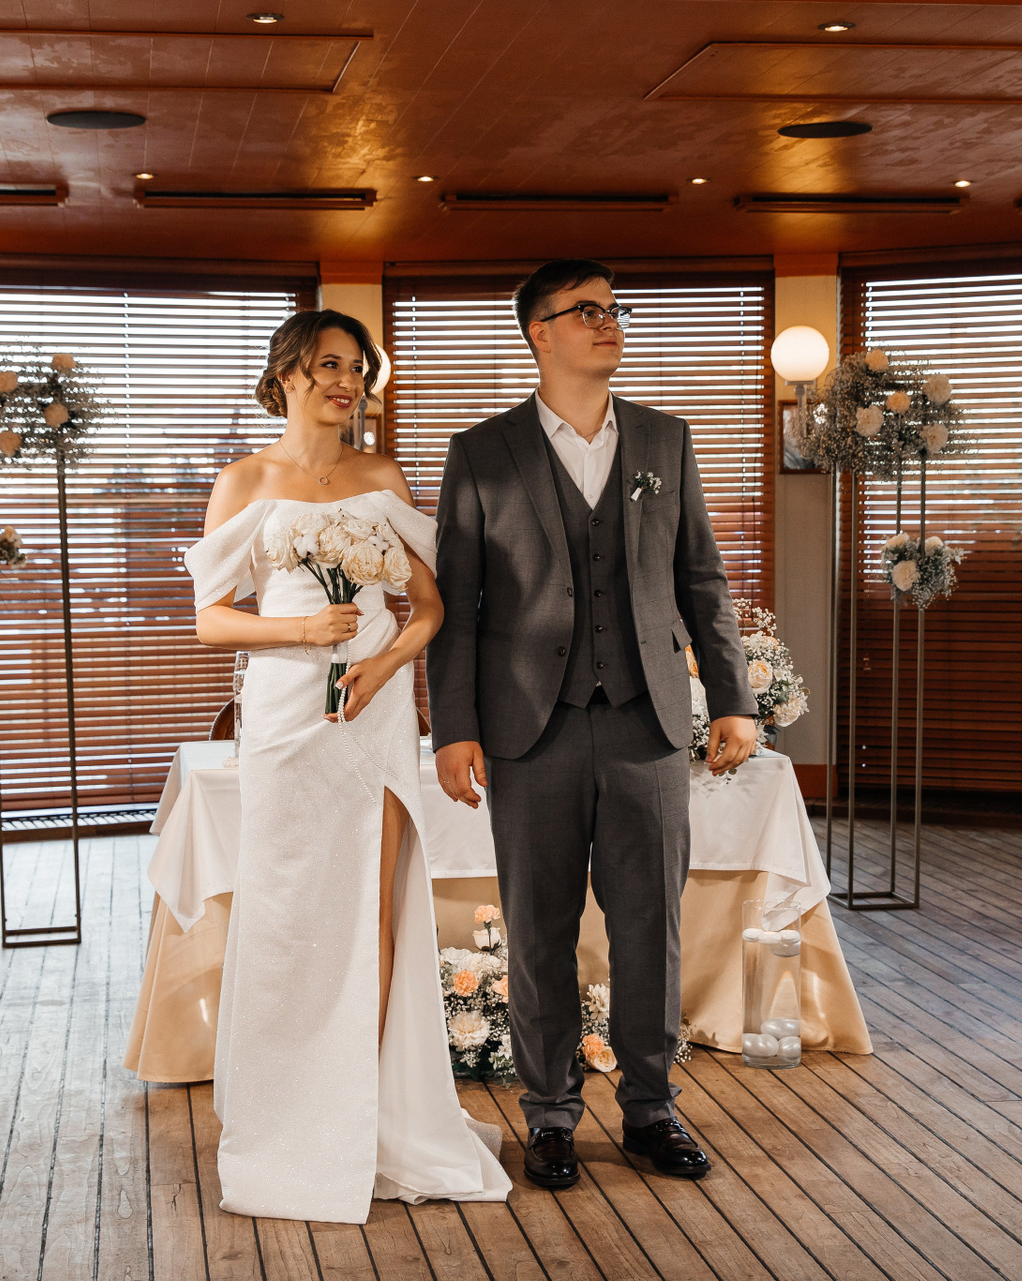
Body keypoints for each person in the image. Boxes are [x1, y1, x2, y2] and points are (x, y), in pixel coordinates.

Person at [427, 260, 758, 1189]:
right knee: (538, 929)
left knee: (651, 925)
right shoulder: (481, 452)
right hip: (529, 729)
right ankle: (550, 1116)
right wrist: (452, 726)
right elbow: (457, 603)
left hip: (647, 721)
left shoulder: (665, 439)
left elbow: (702, 579)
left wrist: (732, 695)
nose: (609, 323)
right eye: (586, 311)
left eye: (614, 310)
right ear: (539, 332)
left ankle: (651, 1110)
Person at [185, 309, 510, 1223]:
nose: (346, 382)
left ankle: (359, 1119)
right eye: (329, 365)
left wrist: (382, 662)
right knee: (287, 905)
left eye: (357, 369)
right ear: (287, 372)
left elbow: (429, 607)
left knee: (374, 906)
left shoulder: (380, 476)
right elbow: (211, 618)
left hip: (373, 712)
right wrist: (302, 628)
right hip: (287, 714)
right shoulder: (244, 480)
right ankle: (290, 1112)